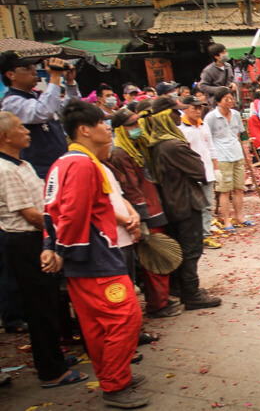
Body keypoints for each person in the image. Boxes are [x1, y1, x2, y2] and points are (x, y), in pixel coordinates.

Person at [42, 100, 148, 408]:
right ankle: (115, 384)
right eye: (102, 123)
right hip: (94, 257)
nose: (107, 128)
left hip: (84, 258)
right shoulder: (82, 164)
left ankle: (114, 376)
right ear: (84, 130)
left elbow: (51, 212)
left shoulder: (62, 163)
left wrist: (52, 247)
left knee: (97, 325)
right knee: (125, 318)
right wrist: (61, 249)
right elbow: (72, 213)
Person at [0, 111, 90, 388]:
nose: (28, 131)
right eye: (20, 128)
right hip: (26, 241)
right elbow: (31, 214)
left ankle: (55, 355)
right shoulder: (4, 170)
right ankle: (50, 371)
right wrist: (62, 227)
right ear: (6, 136)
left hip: (40, 237)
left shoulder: (22, 164)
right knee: (39, 306)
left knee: (49, 302)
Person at [144, 98, 222, 310]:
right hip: (185, 201)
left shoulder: (156, 142)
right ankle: (191, 293)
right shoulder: (172, 144)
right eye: (174, 113)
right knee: (191, 249)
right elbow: (198, 168)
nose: (179, 117)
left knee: (182, 247)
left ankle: (180, 289)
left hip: (171, 201)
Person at [104, 111, 179, 317]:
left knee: (159, 258)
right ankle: (157, 304)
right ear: (120, 129)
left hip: (155, 206)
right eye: (131, 125)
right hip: (145, 212)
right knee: (153, 261)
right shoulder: (120, 153)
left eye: (137, 123)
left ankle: (162, 299)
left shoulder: (138, 146)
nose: (136, 127)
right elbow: (131, 189)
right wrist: (142, 218)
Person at [1, 52, 80, 178]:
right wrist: (54, 78)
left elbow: (70, 111)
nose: (34, 72)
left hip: (58, 165)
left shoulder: (38, 96)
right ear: (11, 75)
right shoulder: (11, 102)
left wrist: (70, 83)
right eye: (27, 69)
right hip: (39, 170)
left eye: (34, 67)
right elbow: (42, 112)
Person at [177, 96, 220, 249]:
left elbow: (211, 147)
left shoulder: (204, 126)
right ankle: (193, 236)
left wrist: (216, 167)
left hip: (207, 171)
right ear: (185, 108)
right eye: (194, 107)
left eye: (199, 108)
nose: (197, 111)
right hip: (192, 173)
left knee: (207, 205)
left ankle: (205, 235)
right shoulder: (180, 128)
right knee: (193, 206)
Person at [206, 87, 250, 230]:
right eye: (226, 99)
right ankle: (226, 220)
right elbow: (207, 138)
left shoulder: (236, 114)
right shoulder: (211, 117)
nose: (230, 101)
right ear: (218, 102)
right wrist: (213, 161)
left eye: (231, 98)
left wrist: (245, 152)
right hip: (222, 156)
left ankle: (239, 216)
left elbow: (241, 134)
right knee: (224, 190)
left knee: (238, 188)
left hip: (237, 154)